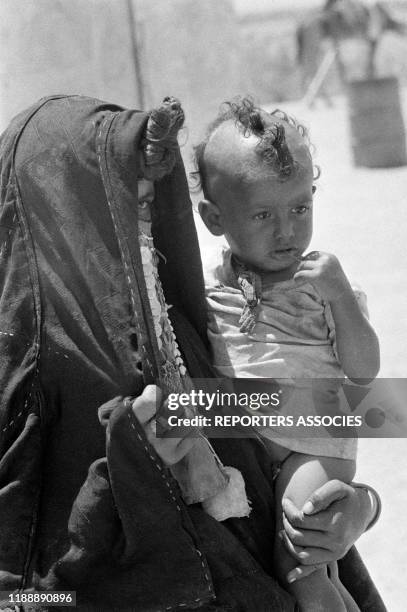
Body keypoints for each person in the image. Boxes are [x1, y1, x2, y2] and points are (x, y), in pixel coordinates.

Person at [0, 94, 384, 611]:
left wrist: (361, 507)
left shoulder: (169, 319)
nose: (145, 225)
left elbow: (357, 404)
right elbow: (38, 592)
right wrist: (133, 458)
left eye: (150, 201)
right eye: (112, 207)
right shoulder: (23, 386)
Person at [195, 97, 380, 611]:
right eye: (263, 215)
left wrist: (341, 297)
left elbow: (365, 371)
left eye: (300, 208)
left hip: (314, 443)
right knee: (320, 574)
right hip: (249, 443)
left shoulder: (321, 281)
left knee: (301, 563)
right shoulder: (209, 288)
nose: (288, 231)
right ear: (214, 218)